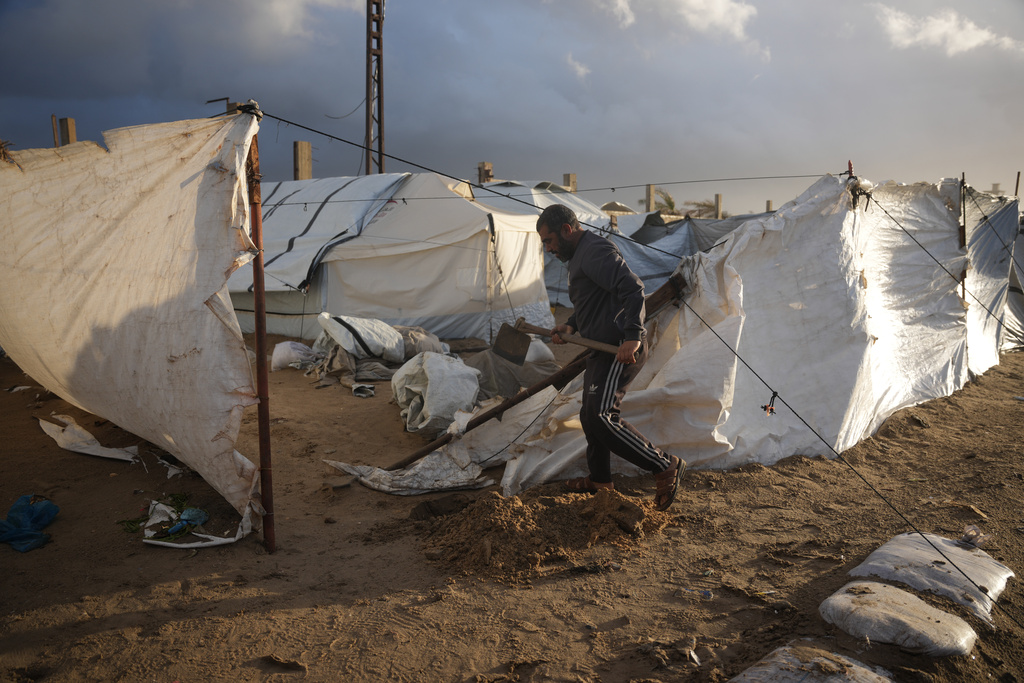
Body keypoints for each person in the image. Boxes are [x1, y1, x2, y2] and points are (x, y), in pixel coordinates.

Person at [536, 204, 685, 511]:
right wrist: (571, 324)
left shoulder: (594, 251)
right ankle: (600, 480)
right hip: (600, 348)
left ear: (566, 230)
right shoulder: (580, 256)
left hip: (618, 349)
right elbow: (595, 299)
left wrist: (632, 336)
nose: (547, 248)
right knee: (590, 417)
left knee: (603, 417)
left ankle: (665, 465)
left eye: (548, 240)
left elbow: (632, 288)